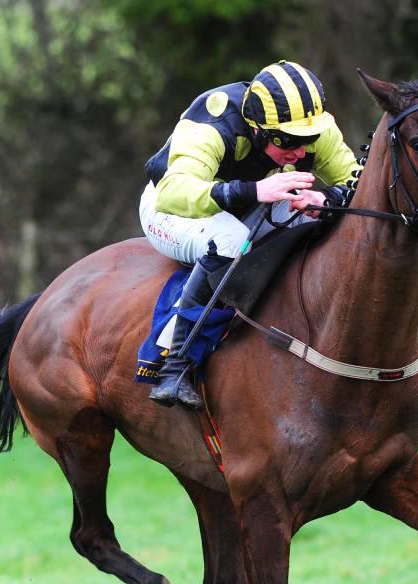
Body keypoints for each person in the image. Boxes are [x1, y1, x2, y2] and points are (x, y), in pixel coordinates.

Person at [140, 60, 360, 410]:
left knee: (319, 223)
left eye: (308, 140)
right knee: (230, 239)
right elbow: (173, 192)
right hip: (172, 210)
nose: (300, 152)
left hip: (250, 203)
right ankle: (176, 365)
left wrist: (328, 198)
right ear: (257, 129)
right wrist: (253, 191)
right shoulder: (214, 122)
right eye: (288, 141)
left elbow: (357, 181)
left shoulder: (316, 128)